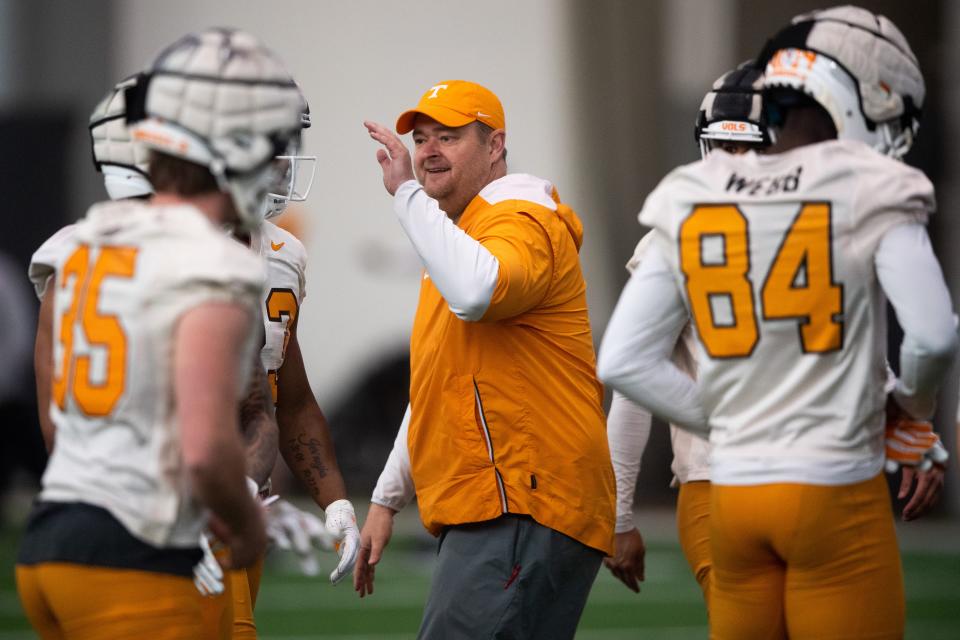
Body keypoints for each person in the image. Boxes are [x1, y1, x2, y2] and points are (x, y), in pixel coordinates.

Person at [598, 6, 957, 639]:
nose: (735, 155)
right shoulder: (860, 188)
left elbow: (625, 363)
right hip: (825, 479)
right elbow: (929, 333)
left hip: (734, 486)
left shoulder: (688, 202)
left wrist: (736, 416)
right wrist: (911, 414)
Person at [28, 72, 358, 640]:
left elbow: (287, 395)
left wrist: (335, 504)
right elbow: (64, 418)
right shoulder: (115, 256)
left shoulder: (279, 254)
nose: (279, 164)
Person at [357, 80, 616, 638]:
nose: (427, 151)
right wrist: (386, 497)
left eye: (448, 137)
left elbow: (479, 292)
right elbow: (438, 385)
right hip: (512, 500)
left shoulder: (520, 217)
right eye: (421, 138)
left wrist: (405, 195)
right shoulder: (461, 234)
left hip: (522, 498)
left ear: (496, 145)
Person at [604, 61, 772, 602]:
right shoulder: (670, 238)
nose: (735, 162)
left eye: (750, 146)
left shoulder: (823, 226)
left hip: (814, 472)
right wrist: (619, 511)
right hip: (720, 475)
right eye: (725, 146)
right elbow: (631, 385)